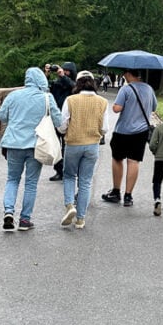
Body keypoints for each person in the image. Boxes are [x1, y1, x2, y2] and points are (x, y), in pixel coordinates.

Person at [0, 67, 63, 232]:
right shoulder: (47, 98)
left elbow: (2, 117)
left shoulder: (13, 96)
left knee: (12, 179)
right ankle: (25, 220)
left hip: (13, 144)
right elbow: (58, 120)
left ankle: (8, 212)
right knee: (31, 183)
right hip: (36, 145)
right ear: (42, 80)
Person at [59, 71, 109, 230]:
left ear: (77, 83)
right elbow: (105, 128)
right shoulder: (102, 102)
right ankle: (80, 219)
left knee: (68, 176)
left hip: (73, 143)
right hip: (92, 145)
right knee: (86, 181)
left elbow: (61, 126)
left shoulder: (71, 100)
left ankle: (69, 205)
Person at [102, 68, 157, 208]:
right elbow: (154, 107)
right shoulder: (149, 89)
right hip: (141, 131)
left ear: (128, 74)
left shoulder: (125, 89)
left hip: (123, 130)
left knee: (117, 158)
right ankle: (128, 195)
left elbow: (116, 108)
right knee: (134, 161)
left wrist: (119, 104)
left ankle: (116, 191)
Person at [48, 62, 77, 180]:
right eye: (62, 70)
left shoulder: (73, 83)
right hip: (56, 116)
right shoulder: (58, 83)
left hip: (69, 117)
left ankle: (67, 171)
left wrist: (63, 76)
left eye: (67, 71)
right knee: (56, 146)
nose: (64, 72)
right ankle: (59, 170)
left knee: (66, 147)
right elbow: (46, 88)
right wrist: (47, 74)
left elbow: (74, 87)